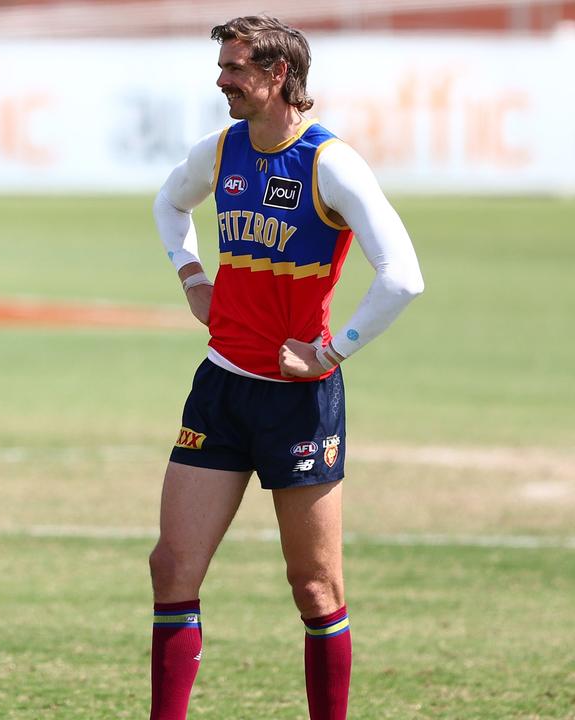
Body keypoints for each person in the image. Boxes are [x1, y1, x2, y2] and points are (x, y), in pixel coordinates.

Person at [148, 16, 425, 720]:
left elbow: (403, 276)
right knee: (171, 569)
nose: (221, 79)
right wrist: (191, 275)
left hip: (298, 401)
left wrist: (330, 353)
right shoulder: (220, 150)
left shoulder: (331, 163)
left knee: (315, 588)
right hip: (220, 387)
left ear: (277, 76)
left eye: (235, 68)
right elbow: (168, 202)